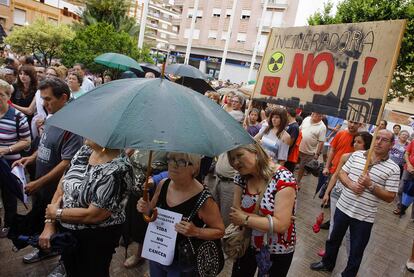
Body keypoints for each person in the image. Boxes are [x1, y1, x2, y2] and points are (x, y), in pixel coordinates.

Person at [12, 77, 83, 264]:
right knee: (41, 221)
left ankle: (63, 263)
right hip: (41, 186)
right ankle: (44, 250)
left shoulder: (73, 126)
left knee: (59, 228)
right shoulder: (53, 115)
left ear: (64, 97)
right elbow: (46, 143)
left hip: (57, 191)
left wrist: (39, 183)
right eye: (43, 98)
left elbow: (66, 162)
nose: (44, 103)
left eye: (48, 99)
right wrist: (32, 157)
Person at [311, 129, 400, 277]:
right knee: (333, 239)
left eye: (384, 140)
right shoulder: (357, 155)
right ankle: (327, 263)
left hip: (364, 217)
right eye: (377, 138)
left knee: (356, 250)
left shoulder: (394, 168)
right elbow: (341, 173)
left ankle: (348, 274)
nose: (378, 142)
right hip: (343, 207)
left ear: (392, 144)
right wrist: (351, 184)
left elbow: (390, 196)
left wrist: (370, 185)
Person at [39, 140, 133, 277]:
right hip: (68, 232)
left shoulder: (118, 168)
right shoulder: (85, 150)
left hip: (96, 238)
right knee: (72, 270)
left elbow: (94, 215)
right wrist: (49, 223)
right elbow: (62, 186)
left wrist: (57, 213)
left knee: (92, 272)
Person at [137, 152, 224, 276]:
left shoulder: (204, 199)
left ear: (194, 167)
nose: (173, 165)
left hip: (182, 262)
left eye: (181, 161)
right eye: (171, 160)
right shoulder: (163, 184)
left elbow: (220, 231)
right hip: (157, 251)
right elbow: (152, 213)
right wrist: (146, 209)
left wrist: (196, 231)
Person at [228, 143, 297, 277]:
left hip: (276, 248)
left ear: (256, 152)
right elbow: (235, 215)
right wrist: (269, 219)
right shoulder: (241, 176)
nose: (235, 162)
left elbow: (281, 226)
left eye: (239, 155)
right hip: (247, 242)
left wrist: (245, 218)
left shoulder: (283, 177)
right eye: (232, 158)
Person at [320, 132, 373, 256]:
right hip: (337, 192)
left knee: (351, 232)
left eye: (359, 142)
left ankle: (350, 257)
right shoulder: (345, 156)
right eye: (354, 141)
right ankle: (329, 252)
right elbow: (336, 175)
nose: (355, 144)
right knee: (333, 223)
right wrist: (327, 192)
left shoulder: (370, 161)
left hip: (354, 197)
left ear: (367, 144)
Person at [0, 79, 31, 238]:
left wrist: (7, 149)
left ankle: (9, 224)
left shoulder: (18, 116)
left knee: (9, 196)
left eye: (0, 94)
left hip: (11, 163)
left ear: (8, 96)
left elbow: (26, 141)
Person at [296, 112, 326, 186]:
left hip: (309, 152)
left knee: (302, 168)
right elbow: (300, 129)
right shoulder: (306, 119)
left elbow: (321, 142)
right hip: (298, 147)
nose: (313, 115)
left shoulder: (322, 127)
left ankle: (297, 182)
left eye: (318, 115)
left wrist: (317, 154)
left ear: (321, 117)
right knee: (294, 163)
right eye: (313, 113)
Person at [394, 132, 414, 218]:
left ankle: (413, 215)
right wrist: (409, 165)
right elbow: (406, 153)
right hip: (408, 169)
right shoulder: (413, 142)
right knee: (401, 188)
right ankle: (400, 207)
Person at [285, 107, 300, 173]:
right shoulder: (290, 125)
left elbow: (290, 143)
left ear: (288, 114)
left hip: (288, 155)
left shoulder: (294, 127)